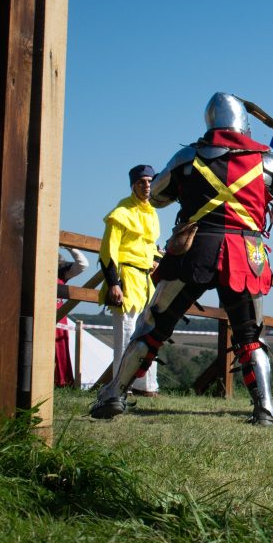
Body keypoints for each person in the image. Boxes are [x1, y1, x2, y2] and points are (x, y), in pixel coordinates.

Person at [90, 92, 273, 425]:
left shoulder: (188, 158)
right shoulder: (264, 159)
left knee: (152, 326)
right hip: (244, 254)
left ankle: (114, 393)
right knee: (250, 336)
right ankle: (265, 408)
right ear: (241, 123)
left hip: (194, 249)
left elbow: (159, 197)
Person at [98, 164, 162, 397]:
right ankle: (121, 386)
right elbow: (108, 252)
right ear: (133, 185)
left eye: (150, 181)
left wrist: (157, 258)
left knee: (150, 333)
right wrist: (114, 283)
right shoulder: (121, 213)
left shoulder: (152, 213)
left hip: (146, 281)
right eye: (141, 182)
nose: (146, 186)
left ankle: (146, 385)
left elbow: (150, 246)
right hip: (126, 278)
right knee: (126, 335)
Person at [55, 248, 89, 387]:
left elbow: (83, 264)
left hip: (58, 317)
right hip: (37, 316)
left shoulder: (61, 273)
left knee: (60, 349)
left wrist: (69, 247)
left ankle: (61, 383)